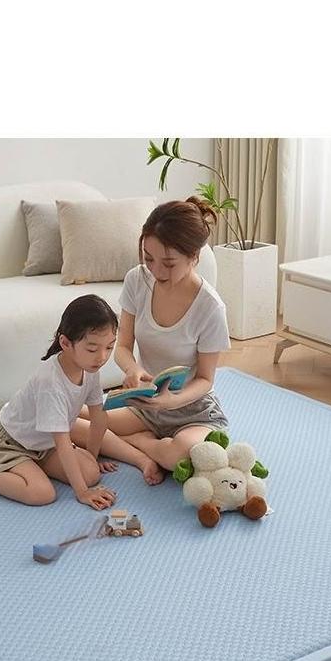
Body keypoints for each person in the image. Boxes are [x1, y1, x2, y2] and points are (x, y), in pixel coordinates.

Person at [72, 197, 231, 481]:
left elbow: (205, 379)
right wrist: (133, 369)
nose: (156, 271)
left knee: (183, 456)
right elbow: (122, 346)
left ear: (194, 256)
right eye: (149, 259)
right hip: (144, 403)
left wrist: (171, 401)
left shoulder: (210, 307)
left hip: (192, 410)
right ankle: (142, 445)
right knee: (65, 419)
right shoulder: (137, 280)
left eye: (168, 263)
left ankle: (138, 442)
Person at [0, 294, 126, 509]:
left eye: (109, 347)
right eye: (92, 349)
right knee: (42, 494)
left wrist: (92, 458)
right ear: (65, 343)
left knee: (91, 473)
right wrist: (82, 493)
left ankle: (33, 467)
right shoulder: (51, 382)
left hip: (44, 444)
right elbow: (62, 441)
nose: (102, 357)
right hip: (12, 443)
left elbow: (99, 419)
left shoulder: (89, 368)